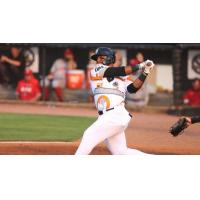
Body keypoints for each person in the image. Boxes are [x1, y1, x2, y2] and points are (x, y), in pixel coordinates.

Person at [75, 47, 155, 155]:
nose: (98, 61)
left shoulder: (123, 76)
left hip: (115, 114)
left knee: (89, 135)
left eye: (101, 58)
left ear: (109, 59)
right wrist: (140, 66)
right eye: (97, 58)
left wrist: (145, 71)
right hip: (107, 117)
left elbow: (133, 88)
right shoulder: (95, 71)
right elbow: (115, 71)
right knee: (121, 153)